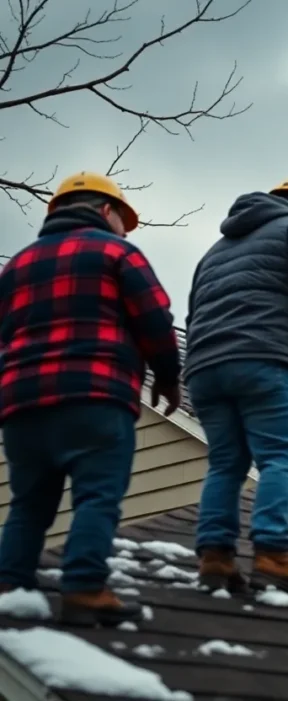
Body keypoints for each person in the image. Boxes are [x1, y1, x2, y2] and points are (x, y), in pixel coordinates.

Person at [0, 172, 181, 626]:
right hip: (95, 394)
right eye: (124, 218)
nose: (125, 228)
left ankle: (9, 584)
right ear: (106, 210)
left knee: (28, 502)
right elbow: (155, 316)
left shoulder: (16, 264)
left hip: (21, 402)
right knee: (98, 495)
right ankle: (84, 588)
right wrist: (168, 375)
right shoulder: (117, 252)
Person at [184, 176, 288, 603]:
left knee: (226, 463)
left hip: (205, 365)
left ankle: (216, 557)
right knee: (280, 456)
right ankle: (274, 553)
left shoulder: (217, 249)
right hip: (265, 356)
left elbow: (194, 305)